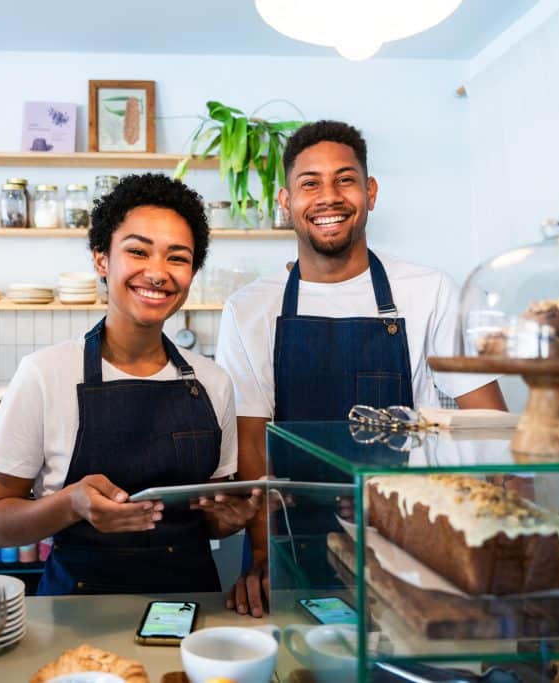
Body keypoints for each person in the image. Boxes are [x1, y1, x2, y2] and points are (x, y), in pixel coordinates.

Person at [216, 121, 507, 616]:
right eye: (310, 183)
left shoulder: (429, 290)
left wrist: (484, 536)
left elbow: (492, 426)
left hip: (411, 537)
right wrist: (266, 558)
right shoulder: (249, 309)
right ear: (286, 201)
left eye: (345, 179)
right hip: (293, 539)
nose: (328, 197)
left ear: (370, 193)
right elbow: (252, 448)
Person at [0, 173, 261, 595]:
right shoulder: (45, 374)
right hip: (77, 609)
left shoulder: (212, 382)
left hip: (188, 606)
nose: (157, 273)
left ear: (192, 273)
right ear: (101, 260)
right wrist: (71, 504)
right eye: (137, 251)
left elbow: (211, 515)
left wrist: (232, 517)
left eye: (177, 258)